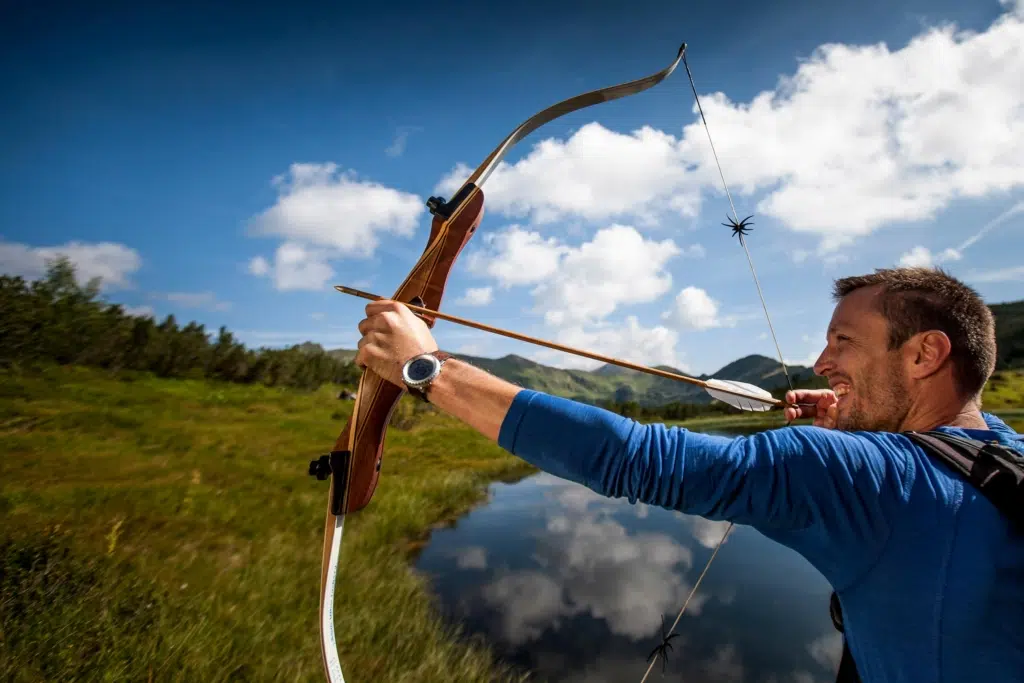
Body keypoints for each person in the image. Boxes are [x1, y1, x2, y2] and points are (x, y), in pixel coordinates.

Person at [354, 266, 1024, 682]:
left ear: (925, 353)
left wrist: (430, 369)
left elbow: (641, 458)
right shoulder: (1004, 449)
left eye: (842, 342)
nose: (821, 362)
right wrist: (861, 426)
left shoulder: (858, 476)